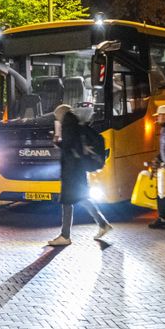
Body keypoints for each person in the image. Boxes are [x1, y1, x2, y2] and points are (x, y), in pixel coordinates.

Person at [47, 105, 111, 246]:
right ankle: (103, 224)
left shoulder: (68, 124)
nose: (56, 118)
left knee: (67, 202)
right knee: (82, 199)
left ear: (60, 114)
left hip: (71, 170)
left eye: (57, 116)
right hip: (77, 169)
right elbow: (73, 145)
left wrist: (58, 142)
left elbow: (70, 146)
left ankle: (65, 236)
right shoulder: (75, 123)